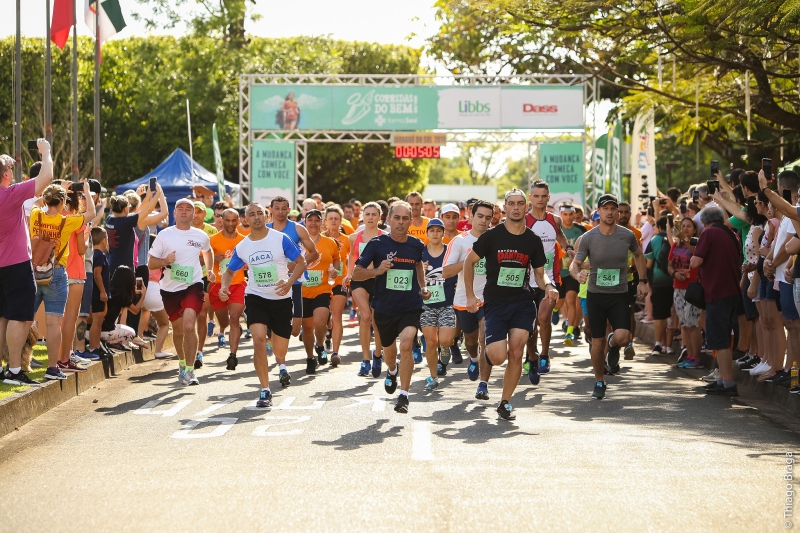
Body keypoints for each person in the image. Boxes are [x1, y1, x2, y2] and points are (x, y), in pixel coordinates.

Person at [463, 189, 555, 420]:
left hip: (522, 302)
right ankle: (488, 354)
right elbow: (469, 263)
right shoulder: (492, 236)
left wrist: (550, 285)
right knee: (497, 356)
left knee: (516, 351)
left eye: (520, 203)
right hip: (495, 302)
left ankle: (505, 402)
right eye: (511, 203)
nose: (516, 207)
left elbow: (540, 273)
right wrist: (470, 296)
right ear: (504, 208)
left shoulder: (532, 240)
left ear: (526, 207)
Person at [219, 203, 305, 407]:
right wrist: (224, 287)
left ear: (266, 216)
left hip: (281, 298)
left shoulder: (280, 239)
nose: (256, 217)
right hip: (256, 297)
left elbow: (301, 262)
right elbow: (230, 272)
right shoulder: (243, 246)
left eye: (260, 214)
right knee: (258, 339)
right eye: (252, 214)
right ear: (245, 220)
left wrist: (290, 282)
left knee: (280, 349)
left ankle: (281, 363)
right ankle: (265, 390)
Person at [352, 200, 431, 414]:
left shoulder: (416, 245)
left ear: (411, 221)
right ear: (388, 220)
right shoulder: (377, 244)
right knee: (390, 352)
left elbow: (417, 266)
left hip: (410, 307)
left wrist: (423, 287)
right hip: (385, 308)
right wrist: (376, 271)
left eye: (406, 218)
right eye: (397, 218)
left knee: (406, 345)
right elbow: (356, 273)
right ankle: (392, 370)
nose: (401, 222)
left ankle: (404, 395)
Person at [570, 194, 648, 400]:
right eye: (606, 209)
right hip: (596, 295)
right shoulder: (589, 237)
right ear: (599, 211)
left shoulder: (627, 235)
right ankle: (599, 380)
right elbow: (575, 263)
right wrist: (577, 274)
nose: (611, 212)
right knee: (597, 340)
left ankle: (613, 344)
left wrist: (642, 280)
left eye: (614, 209)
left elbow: (639, 256)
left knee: (623, 337)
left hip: (619, 294)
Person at [0, 140, 55, 385]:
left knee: (2, 316)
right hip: (16, 264)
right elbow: (47, 177)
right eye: (10, 169)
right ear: (5, 174)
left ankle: (4, 369)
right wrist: (46, 152)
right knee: (20, 317)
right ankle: (14, 370)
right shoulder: (10, 195)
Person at [30, 182, 96, 379]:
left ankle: (15, 366)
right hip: (56, 273)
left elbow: (33, 200)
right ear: (63, 202)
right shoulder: (66, 221)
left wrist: (55, 188)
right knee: (54, 323)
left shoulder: (36, 214)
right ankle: (52, 367)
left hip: (33, 272)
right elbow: (91, 213)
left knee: (23, 320)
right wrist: (85, 191)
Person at [148, 198, 215, 386]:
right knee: (177, 330)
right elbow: (151, 262)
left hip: (193, 284)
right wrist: (164, 261)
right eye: (180, 209)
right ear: (175, 213)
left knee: (188, 326)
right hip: (169, 289)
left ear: (194, 214)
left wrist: (209, 269)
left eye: (188, 209)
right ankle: (182, 363)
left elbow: (207, 252)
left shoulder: (201, 235)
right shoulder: (164, 235)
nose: (184, 211)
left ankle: (191, 370)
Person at [692, 207, 743, 396]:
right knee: (723, 336)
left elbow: (696, 262)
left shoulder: (709, 233)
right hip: (732, 290)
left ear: (705, 222)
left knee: (719, 338)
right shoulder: (732, 234)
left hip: (716, 291)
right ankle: (722, 379)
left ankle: (728, 383)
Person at [443, 200, 493, 391]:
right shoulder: (460, 241)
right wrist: (468, 262)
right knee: (471, 341)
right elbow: (446, 272)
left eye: (488, 218)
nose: (483, 221)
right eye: (480, 216)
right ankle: (473, 358)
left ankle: (483, 384)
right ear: (471, 217)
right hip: (464, 299)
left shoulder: (494, 239)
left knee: (484, 338)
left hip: (488, 298)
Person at [524, 180, 571, 383]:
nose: (540, 199)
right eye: (536, 196)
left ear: (548, 197)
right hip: (526, 282)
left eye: (544, 196)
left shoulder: (555, 220)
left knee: (543, 317)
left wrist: (567, 247)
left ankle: (544, 355)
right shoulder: (523, 221)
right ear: (530, 198)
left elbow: (560, 236)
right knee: (529, 325)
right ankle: (532, 357)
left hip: (549, 279)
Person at [268, 196, 320, 353]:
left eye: (284, 208)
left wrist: (297, 263)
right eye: (276, 208)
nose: (280, 212)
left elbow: (314, 254)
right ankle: (273, 342)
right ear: (271, 210)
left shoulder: (298, 229)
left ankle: (276, 334)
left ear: (289, 210)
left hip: (295, 281)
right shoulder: (265, 229)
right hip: (272, 281)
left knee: (296, 330)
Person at [346, 202, 386, 377]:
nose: (370, 217)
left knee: (377, 321)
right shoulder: (354, 237)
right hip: (359, 280)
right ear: (362, 216)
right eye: (367, 214)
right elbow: (352, 257)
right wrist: (348, 274)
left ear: (380, 217)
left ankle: (377, 354)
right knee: (365, 316)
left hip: (378, 280)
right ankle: (365, 360)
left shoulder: (385, 237)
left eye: (373, 214)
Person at [420, 218, 457, 391]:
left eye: (438, 230)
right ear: (427, 233)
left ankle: (446, 348)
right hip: (426, 304)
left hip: (447, 303)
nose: (435, 233)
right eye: (432, 230)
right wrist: (421, 270)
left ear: (443, 233)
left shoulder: (450, 252)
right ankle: (433, 377)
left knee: (446, 339)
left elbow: (458, 272)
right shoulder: (420, 253)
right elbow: (413, 278)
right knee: (430, 342)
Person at [300, 209, 340, 374]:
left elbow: (337, 259)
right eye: (310, 220)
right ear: (305, 222)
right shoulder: (297, 242)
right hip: (302, 291)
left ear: (322, 222)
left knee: (320, 321)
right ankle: (310, 357)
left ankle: (320, 344)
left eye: (317, 220)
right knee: (307, 328)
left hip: (323, 289)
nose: (314, 223)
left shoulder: (330, 242)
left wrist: (334, 270)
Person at [208, 208, 246, 369]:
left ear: (238, 221)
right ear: (221, 220)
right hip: (217, 285)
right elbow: (200, 260)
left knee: (234, 318)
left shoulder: (245, 240)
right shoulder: (212, 240)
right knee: (223, 321)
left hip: (238, 284)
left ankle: (233, 355)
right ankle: (222, 328)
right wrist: (213, 258)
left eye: (234, 220)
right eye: (227, 220)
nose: (230, 224)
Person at [667, 218, 702, 368]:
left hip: (693, 287)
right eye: (683, 226)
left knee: (693, 323)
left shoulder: (697, 244)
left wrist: (685, 239)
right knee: (685, 324)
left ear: (694, 230)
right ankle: (689, 355)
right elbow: (669, 265)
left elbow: (697, 253)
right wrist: (674, 274)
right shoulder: (675, 245)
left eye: (689, 226)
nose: (686, 228)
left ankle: (697, 358)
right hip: (678, 287)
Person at [191, 200, 218, 368]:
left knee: (201, 313)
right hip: (187, 277)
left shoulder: (211, 231)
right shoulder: (183, 230)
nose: (195, 214)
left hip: (205, 276)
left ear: (204, 214)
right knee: (188, 316)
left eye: (199, 211)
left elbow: (216, 253)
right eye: (192, 211)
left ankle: (199, 351)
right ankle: (190, 348)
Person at [323, 205, 350, 366]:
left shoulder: (346, 240)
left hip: (340, 282)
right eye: (330, 218)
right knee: (324, 317)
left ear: (340, 221)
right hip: (321, 283)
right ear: (325, 221)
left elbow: (353, 258)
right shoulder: (318, 238)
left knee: (337, 314)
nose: (333, 221)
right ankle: (322, 341)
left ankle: (335, 352)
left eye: (336, 218)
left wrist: (349, 275)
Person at [645, 216, 676, 356]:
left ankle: (658, 344)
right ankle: (668, 346)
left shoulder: (654, 240)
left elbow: (649, 265)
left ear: (660, 227)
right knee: (672, 314)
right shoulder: (678, 239)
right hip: (677, 280)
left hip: (659, 281)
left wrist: (649, 283)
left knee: (659, 315)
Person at [616, 202, 643, 359]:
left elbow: (640, 256)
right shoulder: (609, 231)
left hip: (630, 277)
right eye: (620, 212)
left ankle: (629, 343)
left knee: (630, 310)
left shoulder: (636, 233)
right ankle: (613, 342)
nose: (623, 215)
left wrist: (632, 269)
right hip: (611, 279)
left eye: (626, 212)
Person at [558, 203, 586, 346]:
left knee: (571, 300)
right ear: (560, 214)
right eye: (565, 214)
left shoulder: (580, 230)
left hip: (573, 271)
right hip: (558, 271)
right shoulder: (557, 230)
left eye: (570, 214)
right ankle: (556, 310)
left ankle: (571, 330)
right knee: (560, 302)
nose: (568, 217)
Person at [89, 228, 112, 358]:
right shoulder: (100, 255)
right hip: (97, 293)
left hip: (96, 293)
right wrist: (103, 292)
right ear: (104, 241)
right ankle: (94, 347)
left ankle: (96, 346)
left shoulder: (94, 254)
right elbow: (97, 274)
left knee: (99, 321)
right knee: (96, 321)